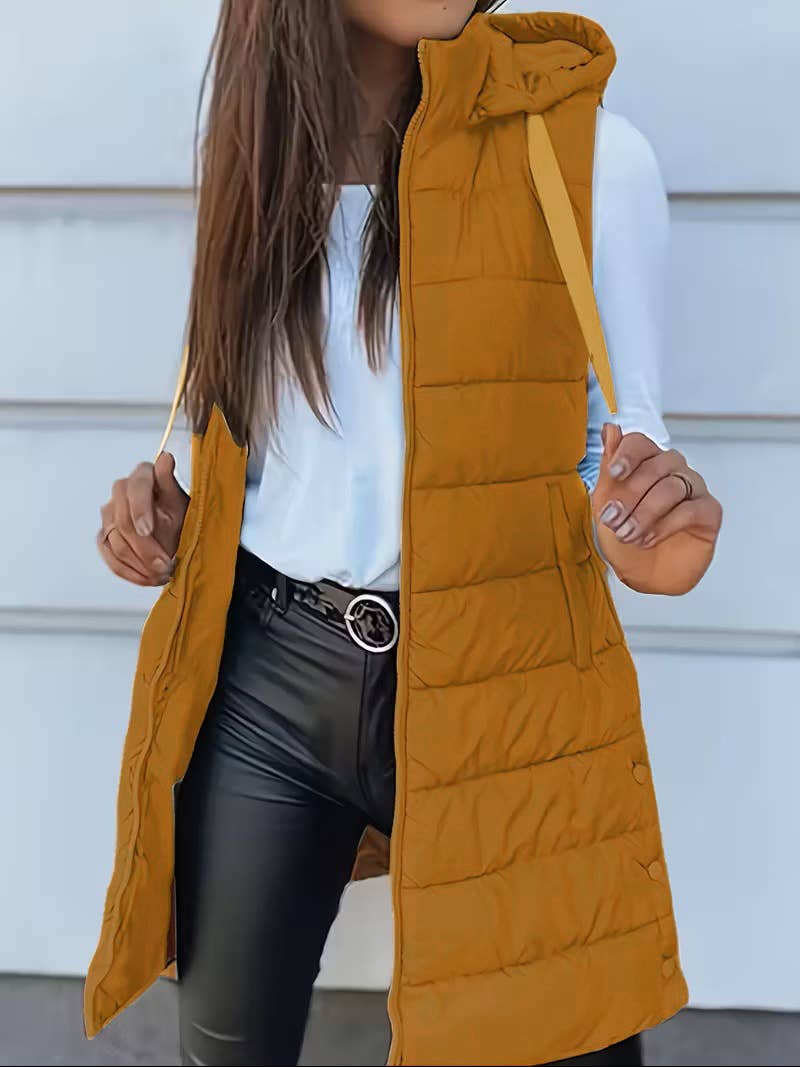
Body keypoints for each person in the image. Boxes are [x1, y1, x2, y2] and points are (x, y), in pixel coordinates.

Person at [84, 5, 723, 1066]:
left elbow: (616, 447)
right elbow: (254, 432)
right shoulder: (251, 150)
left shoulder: (589, 153)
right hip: (267, 677)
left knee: (557, 1034)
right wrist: (174, 516)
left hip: (508, 683)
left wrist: (642, 525)